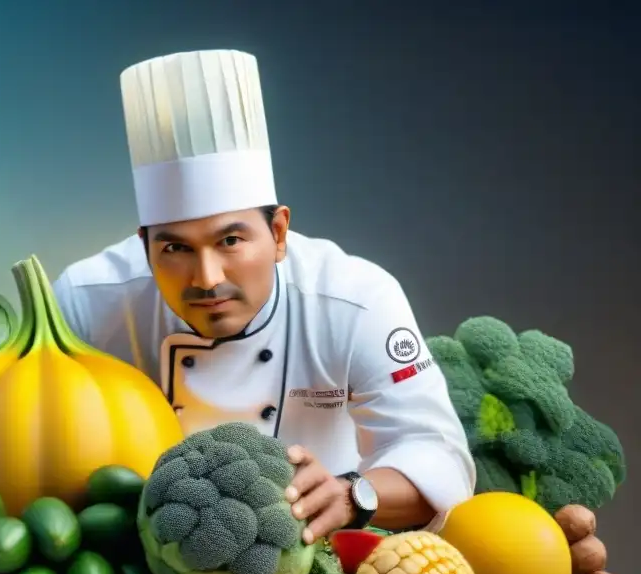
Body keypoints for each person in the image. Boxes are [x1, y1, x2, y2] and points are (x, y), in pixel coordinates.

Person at [52, 49, 474, 543]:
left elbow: (437, 455)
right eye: (175, 248)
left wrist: (350, 494)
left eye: (230, 241)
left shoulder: (353, 299)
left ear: (278, 233)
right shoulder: (85, 304)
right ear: (144, 245)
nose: (207, 278)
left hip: (321, 561)